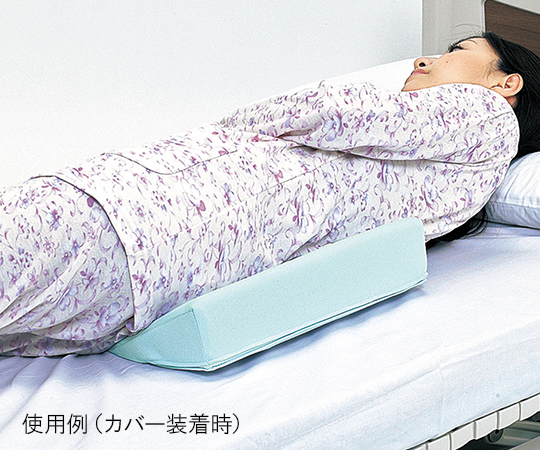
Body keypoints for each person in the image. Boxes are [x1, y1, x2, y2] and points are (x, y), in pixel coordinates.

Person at [1, 32, 539, 357]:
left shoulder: (486, 114)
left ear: (507, 83)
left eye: (456, 50)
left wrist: (229, 125)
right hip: (165, 274)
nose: (422, 61)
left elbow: (334, 111)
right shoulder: (459, 189)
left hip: (138, 212)